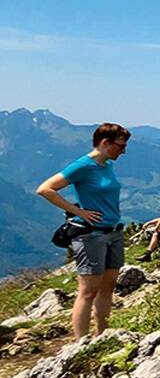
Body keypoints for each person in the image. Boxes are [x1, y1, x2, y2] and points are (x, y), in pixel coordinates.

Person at [35, 123, 130, 338]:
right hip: (91, 235)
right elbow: (45, 189)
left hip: (113, 231)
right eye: (120, 146)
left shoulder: (107, 165)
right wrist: (78, 211)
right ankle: (81, 342)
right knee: (88, 291)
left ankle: (102, 335)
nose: (123, 151)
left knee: (108, 287)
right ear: (105, 143)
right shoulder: (83, 166)